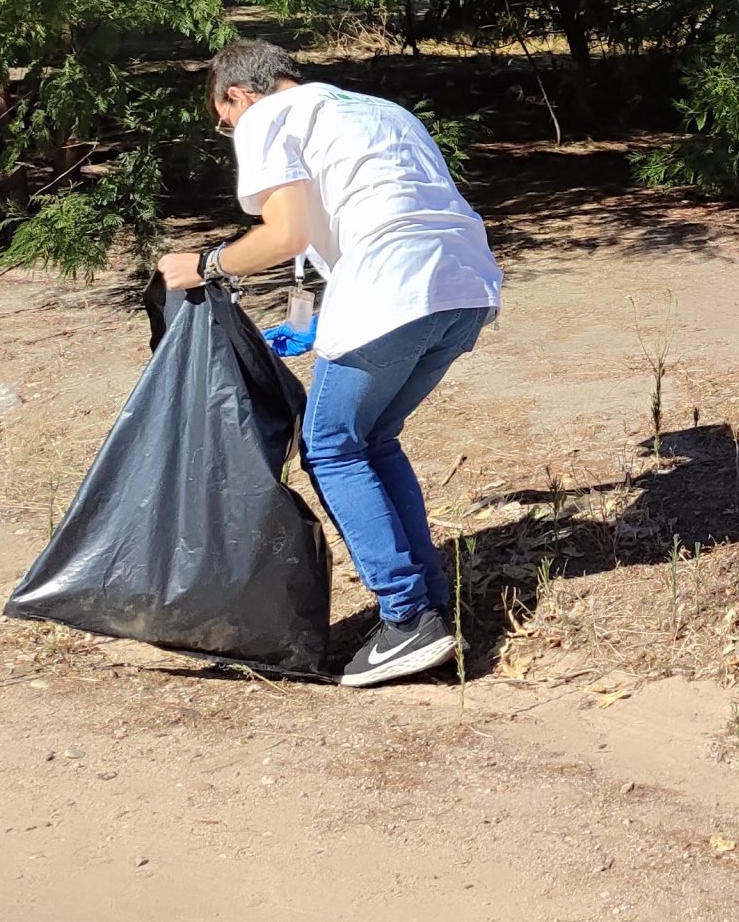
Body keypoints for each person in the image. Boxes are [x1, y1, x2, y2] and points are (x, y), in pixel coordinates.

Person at [156, 41, 503, 686]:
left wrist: (202, 265)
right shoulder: (377, 109)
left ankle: (407, 618)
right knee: (372, 437)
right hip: (466, 291)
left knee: (330, 446)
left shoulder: (265, 117)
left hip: (393, 288)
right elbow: (375, 212)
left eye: (222, 119)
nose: (229, 131)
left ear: (238, 94)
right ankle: (429, 600)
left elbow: (283, 233)